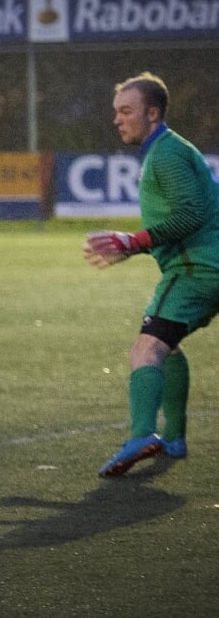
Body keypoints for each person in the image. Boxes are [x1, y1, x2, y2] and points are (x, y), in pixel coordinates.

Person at [83, 71, 219, 477]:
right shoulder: (169, 150)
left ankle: (143, 434)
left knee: (146, 351)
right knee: (169, 346)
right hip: (204, 266)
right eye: (116, 111)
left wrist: (133, 241)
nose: (118, 119)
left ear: (153, 113)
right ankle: (173, 437)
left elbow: (190, 215)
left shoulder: (167, 154)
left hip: (196, 270)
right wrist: (136, 244)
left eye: (127, 111)